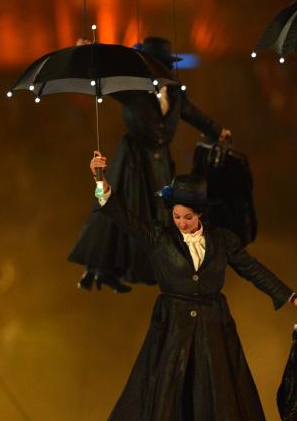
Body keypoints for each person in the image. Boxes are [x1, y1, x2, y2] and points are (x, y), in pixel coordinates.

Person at [88, 151, 297, 421]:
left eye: (187, 217)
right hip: (173, 324)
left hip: (211, 325)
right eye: (177, 216)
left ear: (201, 214)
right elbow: (122, 215)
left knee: (210, 395)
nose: (181, 223)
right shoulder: (160, 237)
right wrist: (100, 179)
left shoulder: (222, 242)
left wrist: (289, 296)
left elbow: (253, 270)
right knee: (167, 393)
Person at [68, 36, 232, 293]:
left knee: (159, 216)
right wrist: (89, 52)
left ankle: (152, 269)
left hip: (160, 162)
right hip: (134, 162)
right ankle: (102, 268)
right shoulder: (132, 90)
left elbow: (192, 114)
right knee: (120, 212)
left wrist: (217, 131)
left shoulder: (176, 93)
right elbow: (103, 77)